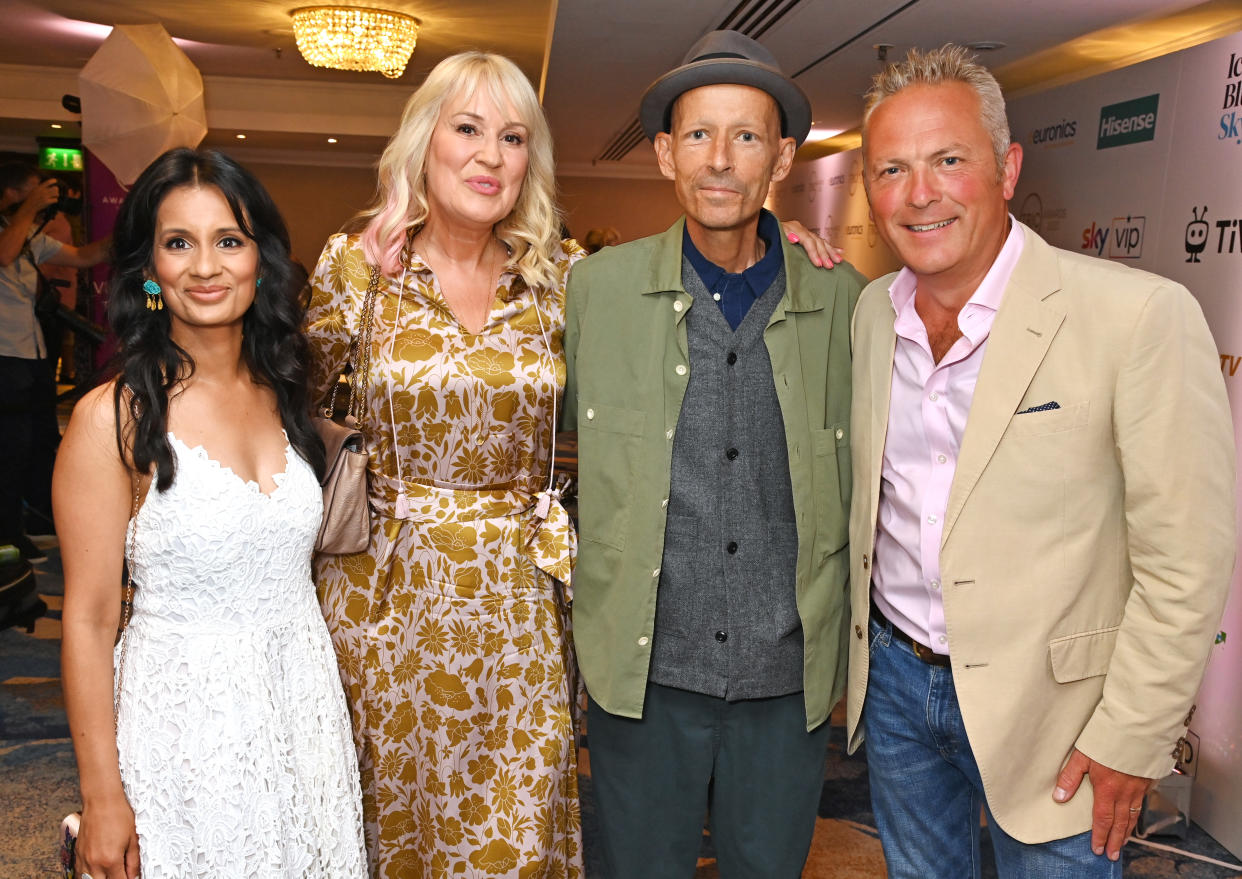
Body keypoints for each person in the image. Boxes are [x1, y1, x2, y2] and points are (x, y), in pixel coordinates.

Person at [846, 45, 1236, 878]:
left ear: (1007, 167)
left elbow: (1188, 558)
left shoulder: (1138, 317)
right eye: (892, 169)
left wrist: (1132, 735)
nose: (920, 193)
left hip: (1064, 719)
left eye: (949, 160)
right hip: (898, 691)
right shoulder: (871, 316)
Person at [562, 30, 865, 878]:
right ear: (663, 154)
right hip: (643, 677)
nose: (721, 159)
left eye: (746, 136)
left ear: (783, 155)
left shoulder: (840, 298)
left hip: (785, 681)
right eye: (698, 135)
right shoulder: (598, 290)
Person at [305, 51, 587, 879]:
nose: (489, 156)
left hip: (518, 606)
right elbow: (288, 407)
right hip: (382, 598)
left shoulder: (562, 278)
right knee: (390, 822)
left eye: (512, 136)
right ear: (426, 141)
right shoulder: (357, 269)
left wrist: (775, 240)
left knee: (518, 825)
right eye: (467, 128)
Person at [57, 148, 366, 879]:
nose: (206, 265)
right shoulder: (114, 417)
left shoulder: (288, 393)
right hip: (184, 728)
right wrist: (103, 796)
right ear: (148, 269)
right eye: (178, 242)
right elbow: (90, 617)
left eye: (228, 240)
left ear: (262, 259)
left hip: (301, 709)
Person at [0, 162, 108, 562]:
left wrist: (132, 226)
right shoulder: (13, 236)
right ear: (11, 193)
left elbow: (85, 255)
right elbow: (4, 253)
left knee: (42, 442)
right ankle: (8, 535)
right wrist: (32, 206)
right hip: (4, 356)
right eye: (33, 192)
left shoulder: (31, 236)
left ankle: (34, 520)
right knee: (9, 448)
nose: (43, 200)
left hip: (33, 354)